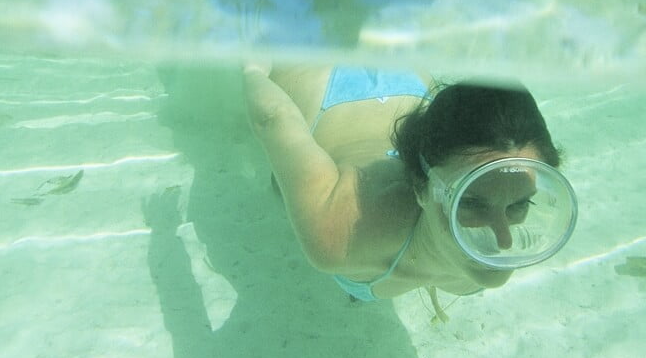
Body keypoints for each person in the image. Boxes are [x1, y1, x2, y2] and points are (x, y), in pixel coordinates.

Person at [243, 64, 577, 316]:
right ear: (419, 187)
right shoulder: (342, 231)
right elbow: (273, 118)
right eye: (471, 203)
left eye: (520, 204)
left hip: (414, 84)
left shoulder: (470, 199)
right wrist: (253, 67)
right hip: (327, 83)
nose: (503, 241)